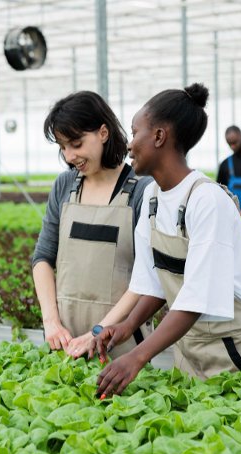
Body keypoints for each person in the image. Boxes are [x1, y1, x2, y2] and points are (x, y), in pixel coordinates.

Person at [91, 83, 241, 398]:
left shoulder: (206, 200)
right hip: (191, 345)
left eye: (134, 131)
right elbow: (154, 282)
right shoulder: (152, 197)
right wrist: (127, 326)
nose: (129, 144)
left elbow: (196, 299)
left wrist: (138, 356)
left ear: (159, 137)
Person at [32, 91, 153, 359]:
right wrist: (51, 321)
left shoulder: (142, 191)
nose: (69, 155)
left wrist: (99, 332)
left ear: (103, 132)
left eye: (76, 143)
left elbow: (146, 277)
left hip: (121, 345)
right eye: (62, 147)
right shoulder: (64, 186)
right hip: (66, 342)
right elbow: (42, 257)